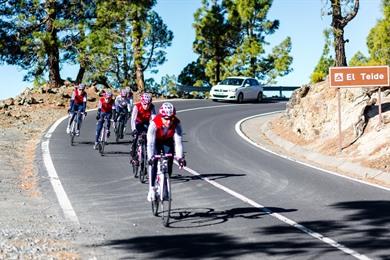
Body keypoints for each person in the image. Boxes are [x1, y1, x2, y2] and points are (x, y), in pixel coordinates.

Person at [146, 102, 186, 202]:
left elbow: (178, 142)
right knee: (154, 162)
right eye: (166, 119)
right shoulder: (155, 123)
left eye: (171, 118)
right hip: (155, 141)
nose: (168, 121)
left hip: (167, 141)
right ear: (161, 116)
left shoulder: (176, 123)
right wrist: (150, 157)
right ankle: (151, 189)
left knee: (170, 160)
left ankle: (165, 183)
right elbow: (150, 143)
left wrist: (180, 157)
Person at [130, 92, 156, 165]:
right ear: (142, 102)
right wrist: (134, 129)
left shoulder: (152, 107)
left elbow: (154, 119)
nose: (147, 106)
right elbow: (133, 119)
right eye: (145, 104)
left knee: (150, 138)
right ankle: (133, 156)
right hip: (137, 123)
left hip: (147, 123)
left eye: (148, 104)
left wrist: (154, 129)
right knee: (135, 138)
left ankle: (149, 154)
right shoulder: (137, 106)